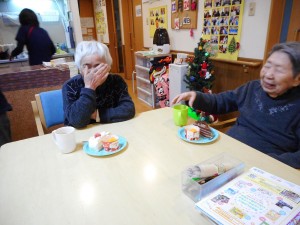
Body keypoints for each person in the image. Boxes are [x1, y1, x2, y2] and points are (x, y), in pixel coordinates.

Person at [172, 42, 300, 169]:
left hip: (260, 170)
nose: (268, 74)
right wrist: (198, 96)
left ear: (297, 79)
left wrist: (268, 163)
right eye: (267, 66)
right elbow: (222, 101)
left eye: (279, 70)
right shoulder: (252, 88)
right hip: (226, 153)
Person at [62, 40, 135, 128]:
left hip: (110, 130)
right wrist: (89, 87)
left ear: (108, 66)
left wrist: (97, 115)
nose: (92, 71)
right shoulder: (70, 85)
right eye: (86, 66)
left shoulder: (116, 81)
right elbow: (77, 121)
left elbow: (128, 110)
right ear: (80, 68)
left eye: (98, 66)